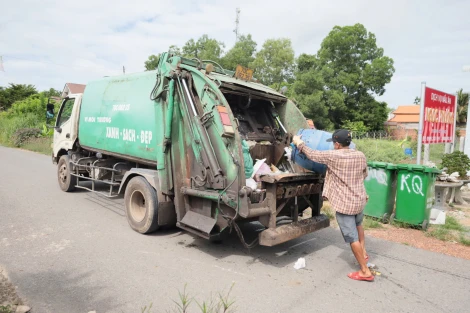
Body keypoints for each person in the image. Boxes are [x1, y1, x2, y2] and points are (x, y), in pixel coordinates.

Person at [292, 129, 374, 282]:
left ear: (337, 144)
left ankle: (365, 271)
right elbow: (364, 174)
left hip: (345, 204)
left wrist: (298, 142)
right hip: (359, 199)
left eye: (333, 143)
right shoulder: (360, 155)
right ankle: (363, 253)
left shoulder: (333, 156)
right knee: (359, 225)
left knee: (351, 237)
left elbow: (312, 154)